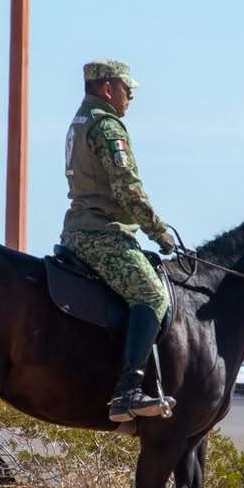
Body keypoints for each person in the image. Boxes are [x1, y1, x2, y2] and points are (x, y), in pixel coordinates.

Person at [59, 59, 178, 422]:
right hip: (102, 234)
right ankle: (128, 391)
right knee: (152, 295)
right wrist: (159, 231)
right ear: (107, 88)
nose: (130, 96)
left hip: (78, 229)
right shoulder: (107, 126)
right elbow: (128, 189)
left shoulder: (80, 120)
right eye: (127, 89)